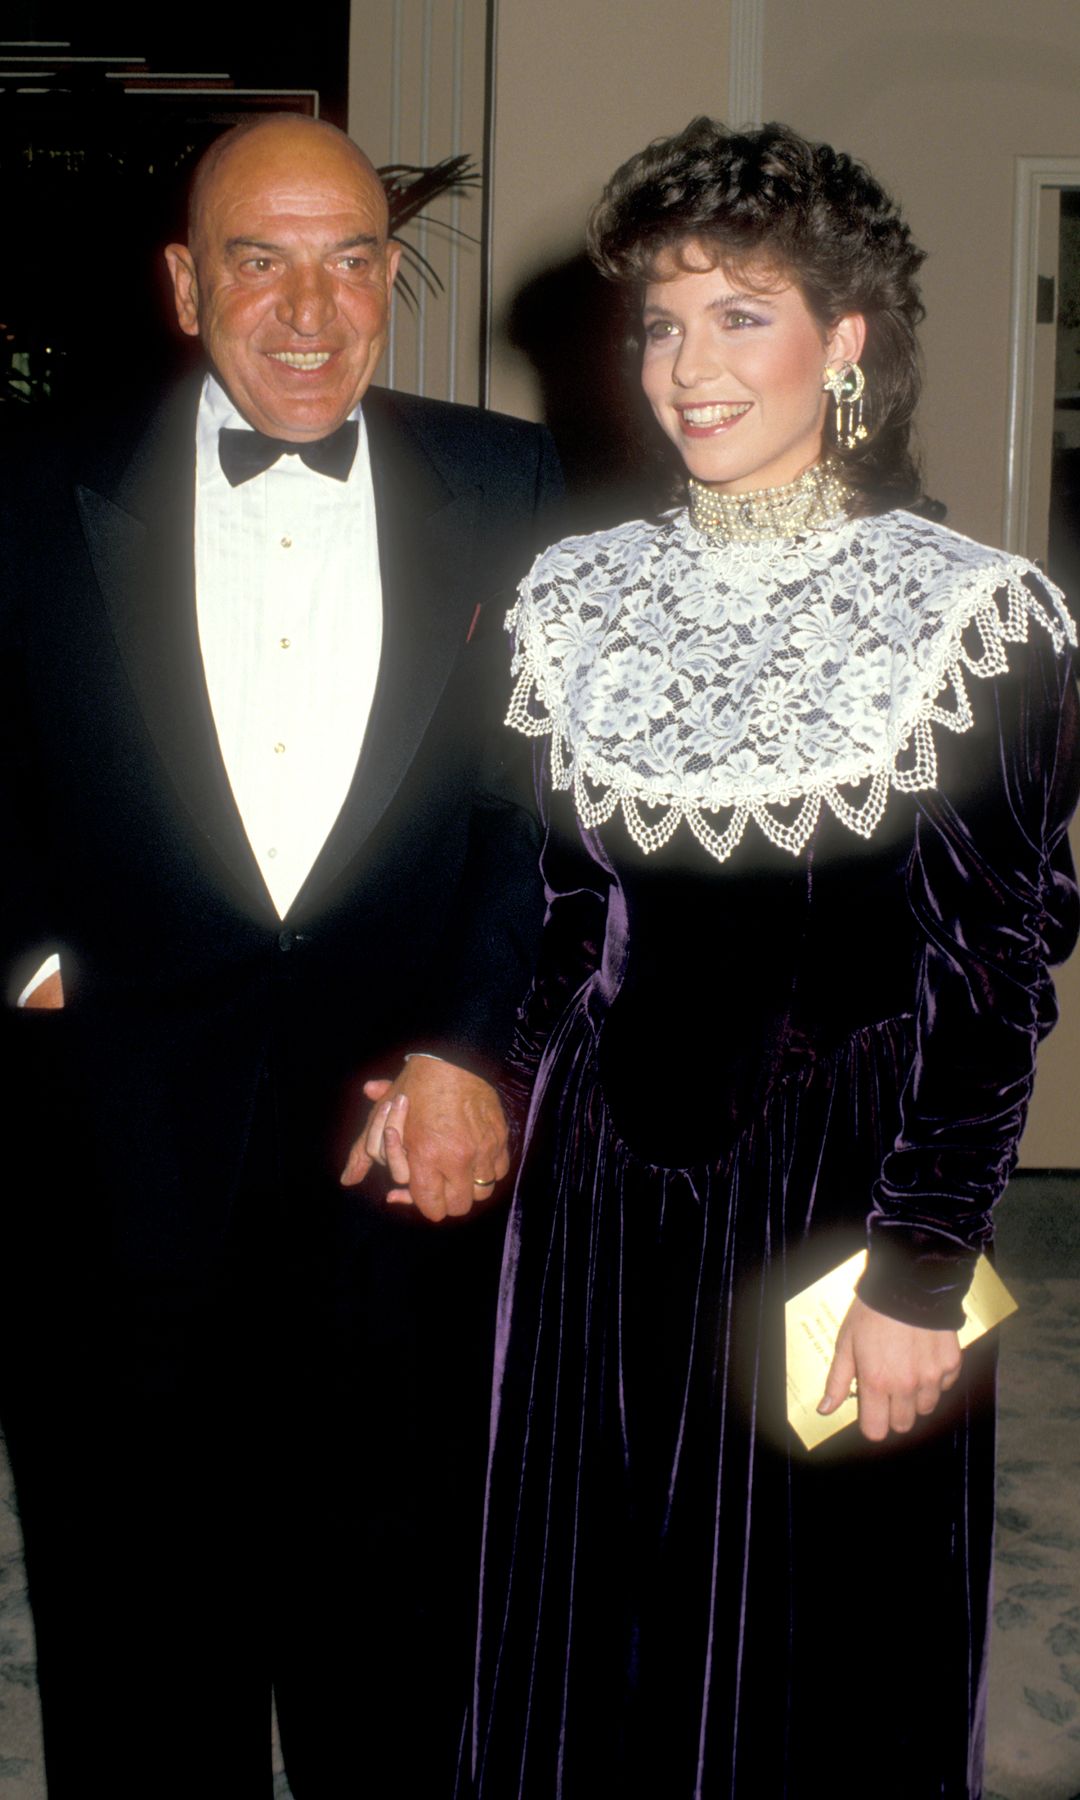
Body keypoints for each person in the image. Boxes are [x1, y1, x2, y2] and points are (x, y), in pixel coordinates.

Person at [461, 120, 1080, 1798]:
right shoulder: (570, 598)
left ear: (846, 338)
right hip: (597, 1194)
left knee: (818, 1651)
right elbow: (559, 918)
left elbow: (997, 967)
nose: (688, 368)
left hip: (843, 1196)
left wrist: (923, 1267)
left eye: (742, 316)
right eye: (662, 322)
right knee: (591, 1630)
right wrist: (494, 1104)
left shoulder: (973, 617)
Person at [0, 114, 561, 1796]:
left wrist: (474, 1040)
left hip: (402, 1155)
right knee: (132, 1643)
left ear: (389, 278)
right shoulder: (24, 485)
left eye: (351, 262)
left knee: (396, 1647)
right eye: (262, 261)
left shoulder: (514, 485)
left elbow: (538, 808)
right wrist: (33, 969)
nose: (310, 312)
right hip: (108, 1155)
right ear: (187, 285)